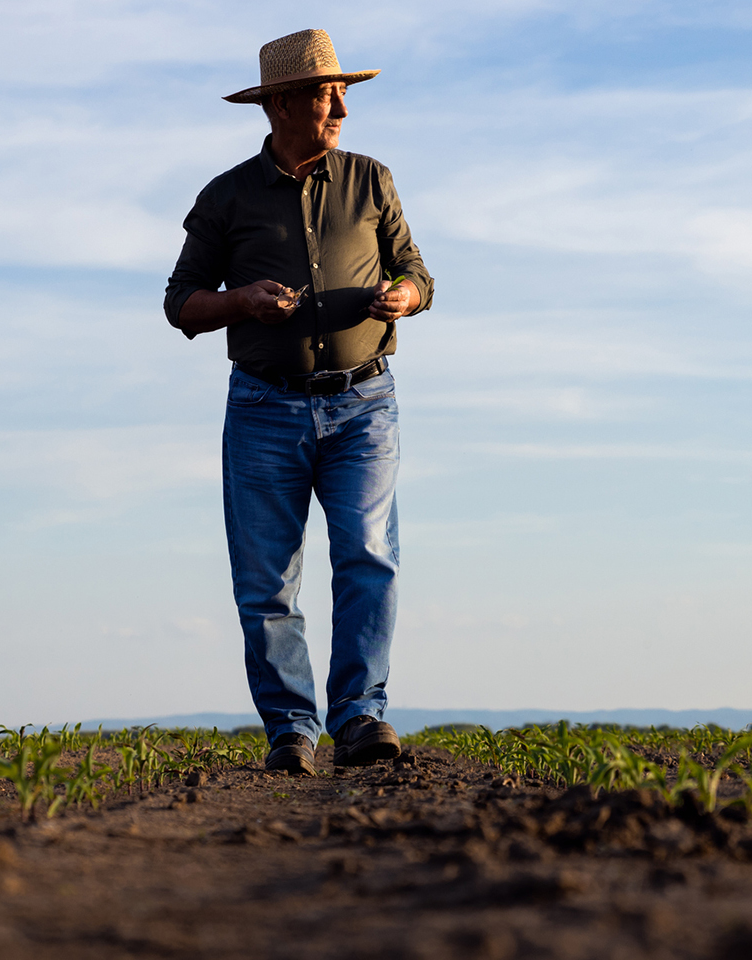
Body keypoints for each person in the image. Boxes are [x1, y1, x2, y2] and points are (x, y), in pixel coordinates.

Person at [163, 29, 434, 775]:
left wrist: (405, 295)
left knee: (369, 555)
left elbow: (417, 270)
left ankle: (360, 717)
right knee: (266, 580)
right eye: (325, 93)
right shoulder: (225, 197)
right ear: (281, 104)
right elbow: (180, 303)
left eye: (342, 91)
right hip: (263, 410)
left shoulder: (373, 180)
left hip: (365, 404)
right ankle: (291, 729)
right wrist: (243, 302)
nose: (342, 104)